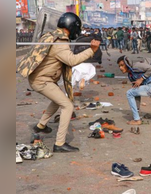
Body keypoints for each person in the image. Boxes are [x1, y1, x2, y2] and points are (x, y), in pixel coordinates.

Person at [17, 12, 101, 153]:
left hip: (41, 78)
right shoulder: (60, 42)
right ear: (72, 26)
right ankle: (59, 143)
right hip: (42, 80)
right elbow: (71, 60)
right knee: (67, 105)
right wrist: (91, 50)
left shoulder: (51, 35)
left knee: (58, 100)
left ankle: (41, 125)